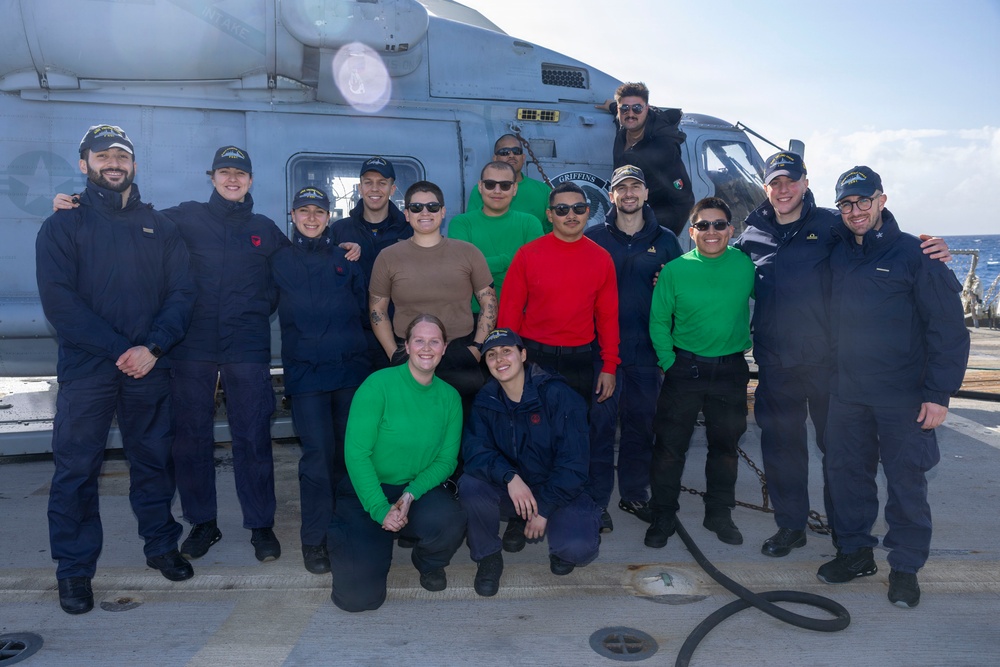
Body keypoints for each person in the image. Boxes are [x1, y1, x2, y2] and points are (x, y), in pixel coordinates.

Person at [738, 152, 953, 559]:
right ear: (765, 187)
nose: (783, 190)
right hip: (777, 362)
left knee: (840, 456)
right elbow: (720, 264)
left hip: (828, 365)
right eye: (775, 183)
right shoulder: (752, 233)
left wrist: (935, 251)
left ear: (804, 183)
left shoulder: (831, 223)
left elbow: (874, 238)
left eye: (791, 181)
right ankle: (790, 526)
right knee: (782, 450)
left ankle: (845, 535)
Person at [37, 124, 196, 615]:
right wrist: (119, 349)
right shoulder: (62, 226)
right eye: (101, 154)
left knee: (152, 462)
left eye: (121, 155)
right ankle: (74, 571)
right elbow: (60, 303)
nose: (113, 162)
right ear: (84, 163)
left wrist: (152, 346)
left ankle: (161, 546)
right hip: (89, 370)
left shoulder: (161, 227)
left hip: (148, 365)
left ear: (134, 165)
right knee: (76, 471)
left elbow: (181, 294)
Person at [817, 167, 968, 609]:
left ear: (881, 200)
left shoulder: (917, 254)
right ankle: (856, 553)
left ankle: (905, 568)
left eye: (863, 201)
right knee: (846, 476)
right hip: (847, 391)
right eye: (846, 204)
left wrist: (938, 394)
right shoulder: (837, 251)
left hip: (903, 394)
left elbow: (948, 328)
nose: (855, 211)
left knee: (906, 483)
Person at [498, 181, 619, 531]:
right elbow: (509, 314)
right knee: (526, 439)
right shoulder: (528, 254)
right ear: (549, 214)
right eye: (562, 209)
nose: (571, 215)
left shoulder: (600, 258)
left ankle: (589, 505)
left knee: (581, 438)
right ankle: (520, 514)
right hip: (533, 360)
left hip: (580, 361)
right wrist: (509, 363)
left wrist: (609, 365)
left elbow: (608, 318)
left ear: (587, 211)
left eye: (578, 208)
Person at [328, 315, 467, 612]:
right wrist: (380, 508)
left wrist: (409, 495)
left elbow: (446, 460)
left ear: (444, 348)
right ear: (407, 345)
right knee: (357, 600)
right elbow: (357, 454)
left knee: (450, 519)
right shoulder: (378, 385)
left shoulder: (450, 398)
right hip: (366, 489)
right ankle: (355, 537)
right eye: (419, 340)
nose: (426, 348)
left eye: (434, 341)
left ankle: (428, 561)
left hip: (413, 490)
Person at [645, 197, 754, 549]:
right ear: (691, 232)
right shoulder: (675, 270)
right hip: (684, 370)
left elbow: (776, 301)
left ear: (730, 229)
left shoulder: (745, 267)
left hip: (730, 370)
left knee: (724, 449)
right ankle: (662, 514)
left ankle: (718, 513)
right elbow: (659, 320)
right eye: (703, 225)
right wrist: (668, 362)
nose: (711, 231)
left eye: (719, 224)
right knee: (668, 449)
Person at [271, 186, 370, 574]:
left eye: (318, 211)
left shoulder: (346, 260)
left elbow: (365, 313)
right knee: (316, 460)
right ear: (292, 216)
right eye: (303, 211)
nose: (311, 217)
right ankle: (315, 540)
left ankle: (350, 530)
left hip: (349, 374)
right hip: (307, 376)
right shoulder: (278, 261)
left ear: (329, 216)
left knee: (350, 458)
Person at [459, 328, 600, 596]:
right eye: (491, 355)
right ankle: (488, 556)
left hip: (557, 490)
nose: (499, 359)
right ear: (486, 364)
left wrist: (544, 509)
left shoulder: (558, 395)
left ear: (522, 355)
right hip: (514, 489)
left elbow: (574, 464)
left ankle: (566, 540)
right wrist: (509, 477)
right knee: (471, 485)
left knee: (578, 548)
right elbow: (475, 450)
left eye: (506, 351)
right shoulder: (486, 399)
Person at [585, 165, 682, 526]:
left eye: (635, 187)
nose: (628, 193)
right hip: (601, 353)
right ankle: (596, 501)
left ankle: (634, 494)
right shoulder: (593, 238)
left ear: (645, 194)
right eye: (621, 188)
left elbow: (681, 295)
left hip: (645, 353)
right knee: (600, 427)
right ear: (611, 196)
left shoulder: (667, 240)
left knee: (641, 427)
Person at [369, 181, 496, 413]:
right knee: (412, 428)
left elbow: (488, 301)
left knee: (462, 430)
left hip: (460, 354)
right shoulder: (388, 257)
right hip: (409, 354)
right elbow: (377, 309)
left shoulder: (468, 253)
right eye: (416, 208)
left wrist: (477, 348)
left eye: (432, 206)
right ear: (407, 214)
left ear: (443, 212)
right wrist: (392, 353)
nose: (424, 212)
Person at [328, 157, 413, 373]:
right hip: (351, 336)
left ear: (392, 188)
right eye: (368, 182)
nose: (375, 189)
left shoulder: (409, 231)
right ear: (359, 187)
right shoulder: (339, 231)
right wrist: (339, 250)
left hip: (398, 335)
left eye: (382, 182)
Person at [600, 82, 694, 236]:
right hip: (625, 221)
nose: (630, 114)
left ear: (647, 108)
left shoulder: (662, 147)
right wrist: (611, 106)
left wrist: (661, 238)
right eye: (624, 108)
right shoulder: (625, 129)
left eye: (637, 108)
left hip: (650, 228)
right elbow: (623, 118)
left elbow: (684, 199)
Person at [447, 160, 543, 309]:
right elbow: (463, 269)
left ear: (514, 188)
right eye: (490, 184)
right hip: (473, 312)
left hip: (520, 312)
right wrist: (507, 261)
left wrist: (481, 268)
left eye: (505, 185)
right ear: (480, 186)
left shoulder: (530, 223)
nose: (497, 191)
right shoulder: (461, 223)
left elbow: (534, 268)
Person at [468, 134, 551, 232]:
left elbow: (551, 230)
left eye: (516, 151)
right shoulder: (483, 190)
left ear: (523, 157)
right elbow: (472, 225)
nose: (511, 155)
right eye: (504, 152)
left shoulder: (543, 190)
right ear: (495, 158)